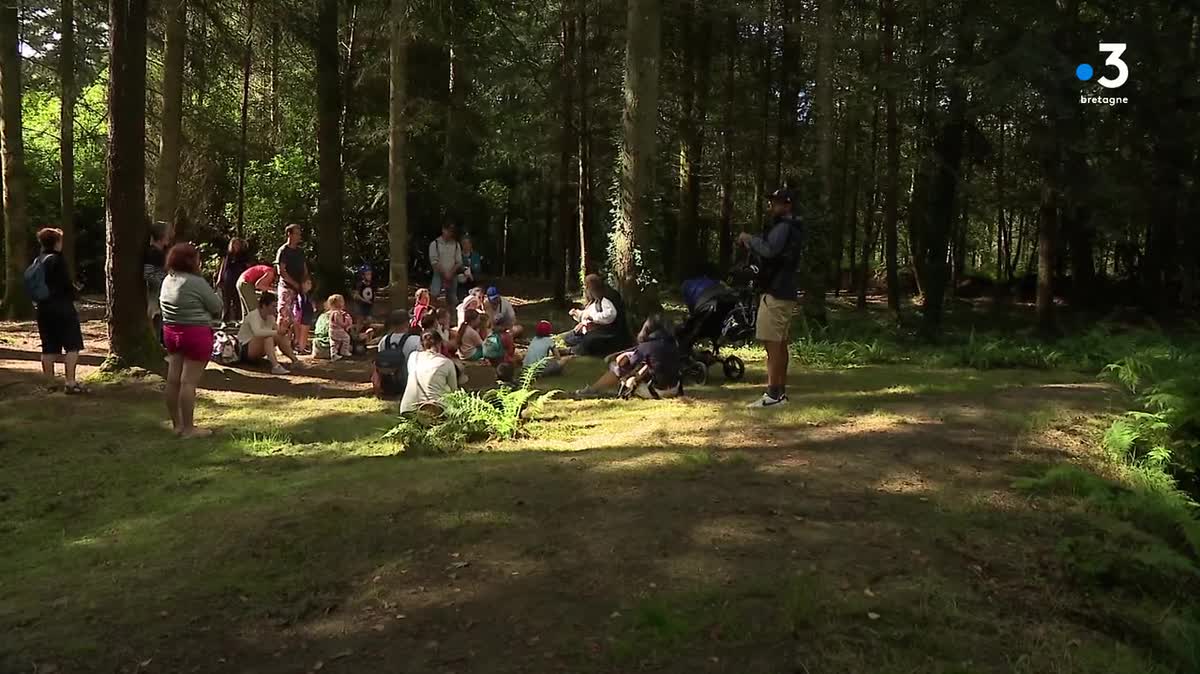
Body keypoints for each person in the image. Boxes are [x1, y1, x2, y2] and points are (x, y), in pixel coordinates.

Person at [737, 187, 803, 408]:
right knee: (780, 344)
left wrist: (749, 239)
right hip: (784, 292)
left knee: (772, 345)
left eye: (776, 203)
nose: (772, 207)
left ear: (787, 205)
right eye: (772, 202)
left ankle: (773, 395)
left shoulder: (784, 228)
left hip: (775, 293)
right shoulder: (792, 228)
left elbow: (769, 250)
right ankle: (779, 393)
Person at [159, 243, 223, 438]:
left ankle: (177, 425)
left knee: (173, 380)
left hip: (171, 333)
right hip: (196, 334)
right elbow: (216, 306)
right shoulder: (196, 282)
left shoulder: (168, 280)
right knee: (188, 383)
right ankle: (189, 429)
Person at [29, 228, 86, 394]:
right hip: (62, 308)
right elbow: (65, 285)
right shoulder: (57, 260)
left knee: (48, 348)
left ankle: (49, 384)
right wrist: (77, 291)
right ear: (56, 242)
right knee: (73, 345)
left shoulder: (38, 260)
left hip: (43, 308)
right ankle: (70, 383)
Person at [575, 315, 682, 399]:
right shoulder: (674, 344)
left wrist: (622, 359)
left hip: (657, 392)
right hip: (675, 389)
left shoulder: (646, 346)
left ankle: (593, 390)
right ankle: (601, 389)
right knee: (644, 367)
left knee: (618, 369)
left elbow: (627, 365)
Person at [564, 274, 631, 356]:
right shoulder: (597, 296)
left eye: (587, 287)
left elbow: (609, 315)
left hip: (611, 331)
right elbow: (590, 312)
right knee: (569, 337)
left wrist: (592, 318)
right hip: (597, 328)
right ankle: (579, 346)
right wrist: (578, 314)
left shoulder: (606, 297)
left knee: (589, 339)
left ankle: (572, 350)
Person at [399, 331, 461, 414]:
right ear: (440, 343)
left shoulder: (413, 356)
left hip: (407, 409)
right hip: (434, 410)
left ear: (421, 345)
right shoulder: (447, 362)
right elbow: (454, 392)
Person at [237, 292, 298, 375]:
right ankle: (275, 366)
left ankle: (295, 360)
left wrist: (284, 330)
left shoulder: (270, 317)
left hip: (257, 348)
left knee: (277, 335)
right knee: (267, 336)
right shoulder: (253, 315)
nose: (275, 309)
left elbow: (278, 333)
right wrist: (277, 332)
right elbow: (257, 332)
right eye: (273, 306)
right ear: (264, 306)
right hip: (245, 350)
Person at [373, 310, 417, 398]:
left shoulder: (384, 340)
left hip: (386, 385)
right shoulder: (415, 340)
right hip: (407, 385)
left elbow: (377, 363)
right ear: (406, 323)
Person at [274, 224, 308, 337]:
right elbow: (282, 271)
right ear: (289, 234)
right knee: (284, 316)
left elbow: (304, 269)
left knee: (297, 316)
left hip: (299, 288)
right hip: (286, 288)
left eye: (300, 234)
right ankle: (280, 341)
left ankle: (296, 342)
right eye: (297, 233)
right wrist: (294, 284)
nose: (299, 236)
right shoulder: (283, 251)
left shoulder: (300, 251)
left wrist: (305, 281)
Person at [428, 220, 464, 307]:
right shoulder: (435, 244)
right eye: (448, 230)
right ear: (443, 229)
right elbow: (434, 262)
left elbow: (459, 262)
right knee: (434, 296)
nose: (450, 233)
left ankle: (451, 318)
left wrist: (451, 273)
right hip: (438, 275)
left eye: (451, 231)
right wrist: (445, 274)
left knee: (452, 299)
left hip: (453, 275)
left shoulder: (456, 245)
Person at [144, 221, 170, 343]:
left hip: (162, 296)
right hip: (154, 296)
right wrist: (165, 281)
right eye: (168, 233)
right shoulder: (152, 252)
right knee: (154, 322)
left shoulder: (162, 252)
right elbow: (148, 274)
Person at [215, 238, 250, 322]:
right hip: (228, 278)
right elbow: (223, 267)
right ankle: (225, 321)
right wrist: (220, 278)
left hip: (238, 278)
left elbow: (247, 267)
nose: (236, 246)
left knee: (237, 300)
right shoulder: (228, 255)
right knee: (226, 300)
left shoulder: (244, 256)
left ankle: (238, 319)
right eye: (234, 244)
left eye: (238, 244)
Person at [315, 294, 354, 361]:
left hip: (329, 333)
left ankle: (334, 355)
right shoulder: (337, 313)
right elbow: (339, 323)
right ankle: (344, 351)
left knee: (333, 343)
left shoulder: (329, 314)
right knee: (346, 338)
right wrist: (347, 323)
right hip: (336, 331)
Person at [295, 278, 316, 354]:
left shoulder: (307, 295)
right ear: (302, 284)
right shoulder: (299, 295)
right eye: (307, 283)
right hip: (303, 314)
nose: (310, 285)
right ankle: (300, 348)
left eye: (310, 283)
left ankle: (302, 347)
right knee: (303, 332)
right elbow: (299, 306)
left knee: (305, 332)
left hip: (307, 314)